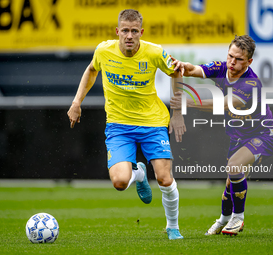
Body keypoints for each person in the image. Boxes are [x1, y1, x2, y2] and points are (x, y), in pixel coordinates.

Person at [67, 9, 186, 240]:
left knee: (164, 178)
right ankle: (139, 174)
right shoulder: (103, 50)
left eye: (134, 31)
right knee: (120, 182)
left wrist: (178, 112)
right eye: (125, 31)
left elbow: (177, 72)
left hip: (153, 123)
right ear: (117, 31)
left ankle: (173, 227)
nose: (129, 36)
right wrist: (76, 102)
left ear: (141, 32)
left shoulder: (155, 52)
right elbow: (92, 70)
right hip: (119, 126)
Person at [170, 35, 273, 236]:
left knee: (234, 167)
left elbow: (225, 104)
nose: (232, 62)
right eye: (230, 56)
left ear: (249, 62)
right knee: (231, 181)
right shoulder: (222, 68)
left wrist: (188, 102)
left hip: (264, 134)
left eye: (238, 59)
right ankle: (223, 220)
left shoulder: (251, 84)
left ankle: (238, 218)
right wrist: (183, 65)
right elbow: (195, 70)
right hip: (239, 136)